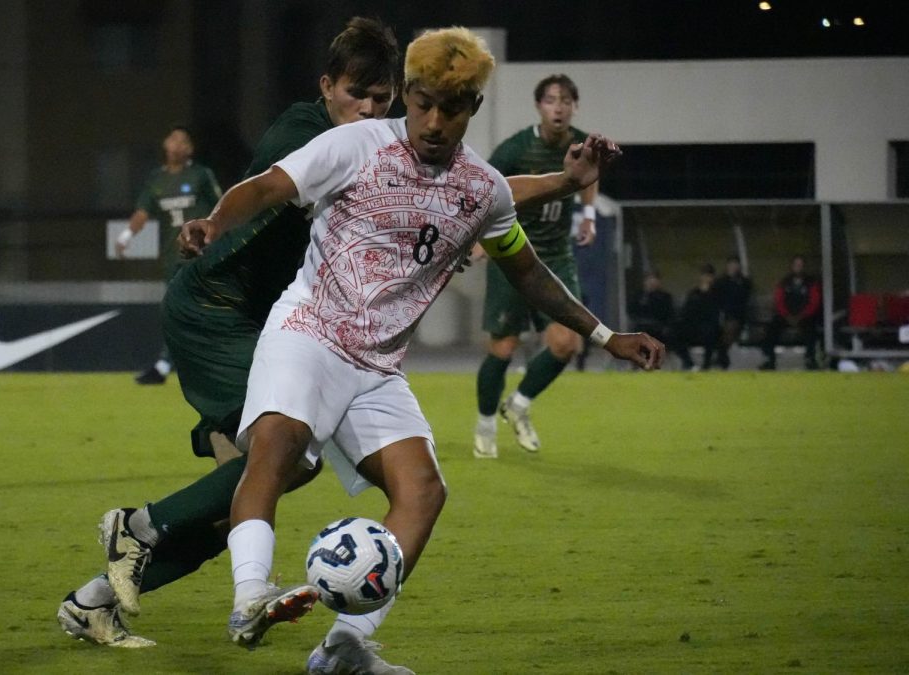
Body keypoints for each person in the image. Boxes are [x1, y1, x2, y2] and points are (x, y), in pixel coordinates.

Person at [180, 28, 662, 672]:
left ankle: (345, 645)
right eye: (425, 103)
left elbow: (526, 271)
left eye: (452, 108)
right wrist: (215, 220)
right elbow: (267, 186)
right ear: (407, 95)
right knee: (278, 444)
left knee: (423, 493)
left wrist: (606, 335)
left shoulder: (481, 189)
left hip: (376, 366)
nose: (435, 122)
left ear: (474, 110)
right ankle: (249, 598)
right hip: (308, 331)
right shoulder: (355, 144)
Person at [58, 17, 402, 657]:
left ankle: (90, 603)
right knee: (289, 458)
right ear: (328, 87)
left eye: (384, 99)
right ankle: (137, 526)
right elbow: (265, 185)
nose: (371, 109)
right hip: (215, 309)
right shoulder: (303, 132)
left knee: (241, 506)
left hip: (262, 323)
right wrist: (213, 220)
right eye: (359, 93)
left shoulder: (371, 149)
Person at [473, 73, 601, 458]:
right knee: (503, 346)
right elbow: (485, 188)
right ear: (539, 106)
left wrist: (589, 214)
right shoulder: (515, 149)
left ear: (574, 106)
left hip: (556, 257)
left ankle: (520, 404)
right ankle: (484, 427)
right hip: (512, 255)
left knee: (567, 342)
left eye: (565, 100)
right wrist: (480, 240)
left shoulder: (582, 146)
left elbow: (589, 176)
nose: (558, 107)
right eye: (550, 100)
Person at [115, 125, 222, 385]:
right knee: (177, 312)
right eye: (173, 139)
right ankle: (183, 365)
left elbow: (222, 206)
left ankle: (167, 365)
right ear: (165, 145)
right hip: (172, 259)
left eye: (183, 141)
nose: (177, 144)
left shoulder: (200, 175)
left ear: (190, 149)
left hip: (201, 256)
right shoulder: (156, 180)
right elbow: (143, 213)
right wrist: (126, 236)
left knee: (191, 309)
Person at [760, 254, 821, 370]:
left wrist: (802, 315)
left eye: (800, 265)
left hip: (805, 316)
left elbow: (814, 301)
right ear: (792, 267)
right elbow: (779, 301)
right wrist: (787, 315)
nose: (798, 267)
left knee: (811, 329)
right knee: (771, 328)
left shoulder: (811, 283)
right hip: (786, 316)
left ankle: (810, 359)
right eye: (796, 265)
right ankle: (769, 359)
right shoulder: (784, 282)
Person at [673, 264, 722, 371]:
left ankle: (706, 365)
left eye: (709, 276)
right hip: (693, 327)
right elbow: (687, 311)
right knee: (675, 335)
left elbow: (713, 311)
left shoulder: (717, 293)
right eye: (704, 275)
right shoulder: (693, 293)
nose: (706, 278)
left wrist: (706, 294)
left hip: (709, 327)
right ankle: (688, 363)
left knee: (711, 333)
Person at [711, 254, 752, 369]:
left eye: (735, 264)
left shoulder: (744, 282)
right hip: (722, 315)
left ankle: (721, 355)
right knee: (725, 326)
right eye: (731, 264)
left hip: (738, 316)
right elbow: (715, 300)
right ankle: (722, 356)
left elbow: (744, 301)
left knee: (731, 326)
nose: (733, 267)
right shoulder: (720, 282)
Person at [628, 270, 675, 344]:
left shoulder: (665, 297)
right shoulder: (638, 296)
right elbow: (632, 311)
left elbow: (669, 314)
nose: (651, 282)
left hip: (658, 328)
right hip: (641, 327)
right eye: (649, 279)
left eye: (654, 280)